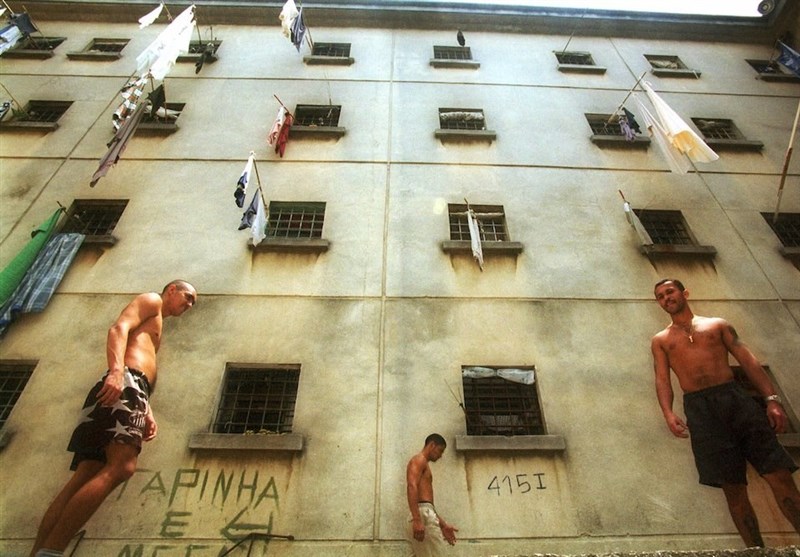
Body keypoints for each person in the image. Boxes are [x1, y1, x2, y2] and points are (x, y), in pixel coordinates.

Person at [30, 279, 197, 557]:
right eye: (188, 296)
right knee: (122, 466)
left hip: (132, 388)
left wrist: (146, 409)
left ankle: (40, 551)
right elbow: (118, 329)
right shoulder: (151, 300)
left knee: (87, 473)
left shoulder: (157, 321)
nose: (190, 304)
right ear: (171, 290)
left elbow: (139, 361)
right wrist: (117, 372)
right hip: (125, 383)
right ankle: (52, 551)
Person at [651, 278, 800, 547]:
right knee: (732, 488)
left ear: (685, 293)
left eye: (669, 292)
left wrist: (772, 400)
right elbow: (662, 378)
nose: (666, 298)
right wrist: (668, 413)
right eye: (660, 296)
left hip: (735, 400)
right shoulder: (661, 340)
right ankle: (756, 551)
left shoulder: (717, 325)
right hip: (700, 410)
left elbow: (748, 361)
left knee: (778, 474)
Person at [406, 433, 458, 556]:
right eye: (440, 451)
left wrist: (443, 525)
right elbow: (411, 486)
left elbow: (428, 505)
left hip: (425, 513)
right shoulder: (419, 460)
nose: (440, 455)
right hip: (422, 515)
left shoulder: (424, 464)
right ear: (432, 445)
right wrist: (417, 519)